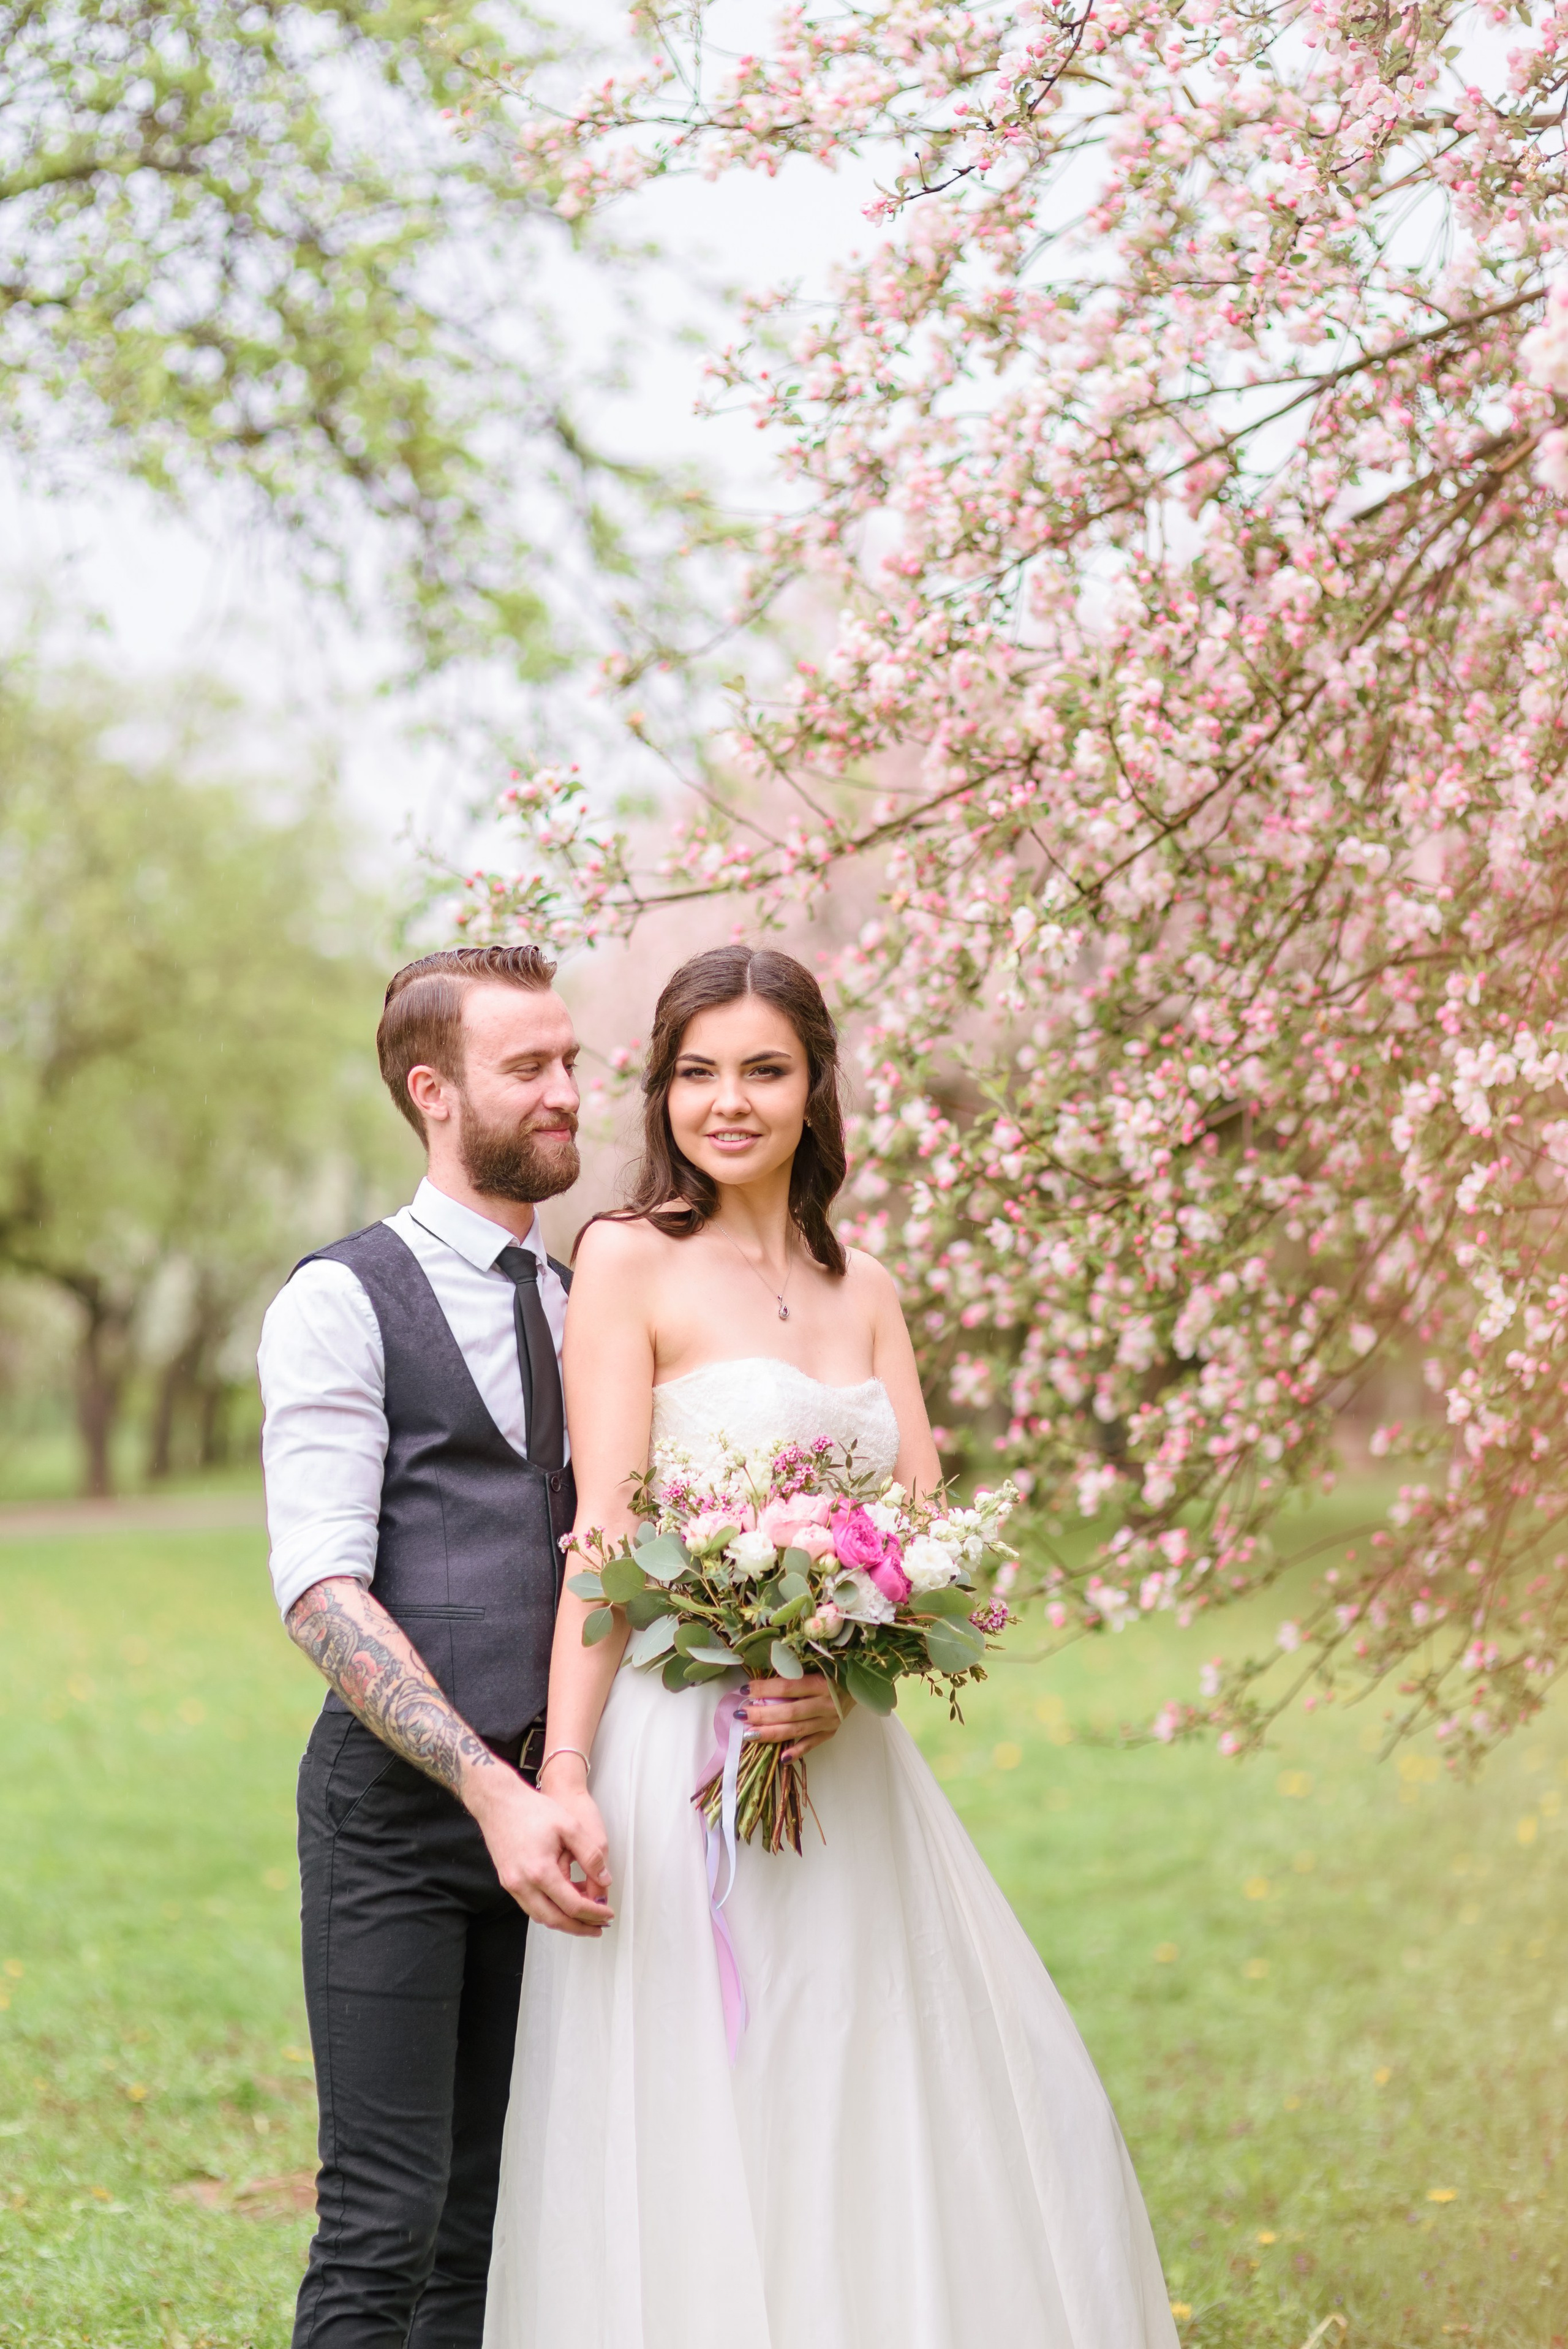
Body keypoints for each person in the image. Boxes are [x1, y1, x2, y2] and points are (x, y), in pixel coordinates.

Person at [483, 944, 1178, 2349]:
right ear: (661, 1090)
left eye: (763, 1069)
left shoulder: (864, 1283)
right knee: (709, 2091)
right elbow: (604, 1535)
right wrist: (565, 1769)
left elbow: (918, 1524)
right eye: (695, 1072)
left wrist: (846, 1667)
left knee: (869, 2073)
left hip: (838, 1757)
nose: (726, 1101)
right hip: (681, 1752)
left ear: (814, 1087)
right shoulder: (625, 1256)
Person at [257, 943, 614, 2349]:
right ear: (432, 1091)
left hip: (564, 1817)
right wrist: (486, 1790)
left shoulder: (590, 1301)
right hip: (397, 1828)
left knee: (494, 2225)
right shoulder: (339, 1299)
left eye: (570, 1061)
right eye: (528, 1067)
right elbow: (319, 1589)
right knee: (383, 2224)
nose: (566, 1091)